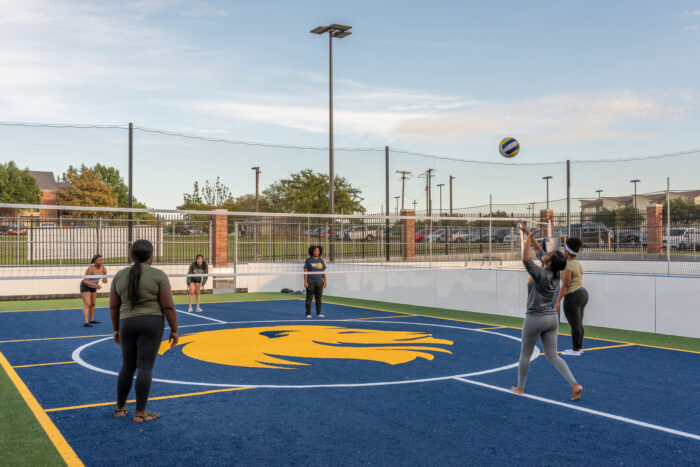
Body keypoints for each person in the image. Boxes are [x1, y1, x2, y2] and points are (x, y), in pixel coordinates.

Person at [510, 221, 583, 401]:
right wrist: (529, 234)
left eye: (547, 254)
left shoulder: (540, 274)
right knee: (553, 355)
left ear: (548, 262)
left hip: (535, 318)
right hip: (552, 318)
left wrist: (526, 239)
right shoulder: (555, 272)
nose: (544, 253)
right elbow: (537, 251)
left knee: (525, 354)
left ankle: (520, 388)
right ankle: (574, 384)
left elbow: (526, 259)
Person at [110, 239, 178, 423]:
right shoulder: (158, 275)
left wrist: (116, 329)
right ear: (151, 255)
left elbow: (113, 307)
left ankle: (120, 408)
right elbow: (168, 307)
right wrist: (174, 329)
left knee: (127, 366)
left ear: (132, 256)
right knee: (145, 367)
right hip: (151, 323)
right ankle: (140, 413)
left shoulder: (120, 275)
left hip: (126, 323)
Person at [556, 237, 588, 356]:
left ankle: (575, 350)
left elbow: (565, 286)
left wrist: (558, 301)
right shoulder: (577, 264)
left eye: (564, 250)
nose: (563, 252)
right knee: (578, 323)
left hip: (573, 296)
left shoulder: (568, 266)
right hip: (583, 293)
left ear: (568, 252)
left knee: (575, 324)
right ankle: (579, 348)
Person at [80, 254, 108, 327]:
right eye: (98, 260)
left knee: (93, 304)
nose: (100, 261)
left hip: (93, 286)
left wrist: (105, 280)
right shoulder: (90, 269)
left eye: (101, 260)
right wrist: (95, 285)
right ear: (94, 261)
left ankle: (91, 320)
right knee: (87, 304)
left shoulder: (104, 269)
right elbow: (85, 280)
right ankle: (86, 322)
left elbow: (104, 280)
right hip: (85, 286)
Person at [304, 245, 327, 318]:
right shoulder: (308, 260)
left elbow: (323, 271)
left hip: (319, 282)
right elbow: (305, 272)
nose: (317, 252)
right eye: (315, 250)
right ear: (312, 251)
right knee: (309, 298)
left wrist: (325, 281)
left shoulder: (321, 260)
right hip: (310, 282)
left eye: (318, 251)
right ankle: (308, 313)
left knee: (319, 298)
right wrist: (305, 282)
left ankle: (319, 313)